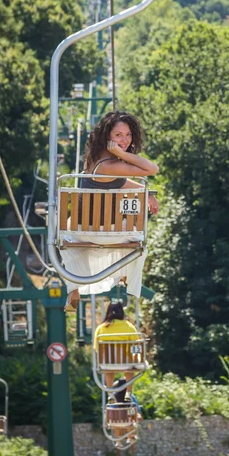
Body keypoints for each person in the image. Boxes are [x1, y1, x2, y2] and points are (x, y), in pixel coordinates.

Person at [61, 111, 159, 311]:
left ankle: (74, 287)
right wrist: (124, 154)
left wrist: (145, 191)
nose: (125, 140)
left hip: (80, 231)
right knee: (138, 240)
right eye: (118, 135)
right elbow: (152, 168)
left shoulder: (95, 159)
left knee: (68, 233)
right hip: (108, 233)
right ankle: (123, 272)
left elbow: (120, 182)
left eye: (129, 134)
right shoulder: (112, 164)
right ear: (108, 137)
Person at [93, 301, 140, 390]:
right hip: (126, 363)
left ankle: (110, 393)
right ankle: (128, 393)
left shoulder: (101, 328)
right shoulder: (129, 327)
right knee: (130, 367)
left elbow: (96, 348)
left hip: (107, 362)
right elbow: (136, 346)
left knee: (109, 368)